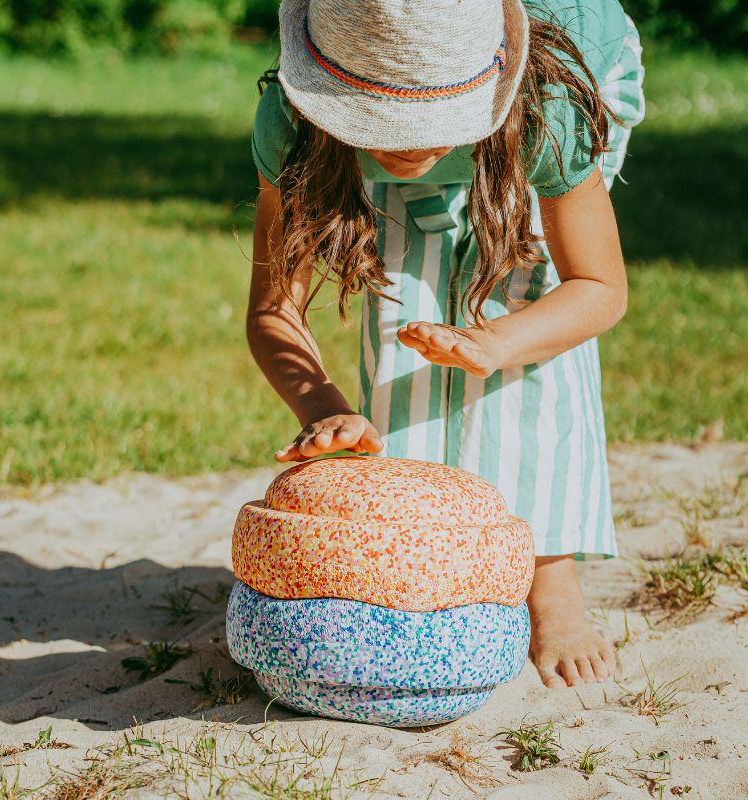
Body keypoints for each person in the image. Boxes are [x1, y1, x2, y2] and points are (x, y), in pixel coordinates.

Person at [246, 0, 645, 688]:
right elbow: (273, 306)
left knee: (523, 290)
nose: (413, 141)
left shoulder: (549, 110)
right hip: (405, 128)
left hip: (553, 90)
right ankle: (432, 550)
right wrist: (320, 406)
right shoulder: (296, 122)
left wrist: (497, 343)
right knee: (406, 300)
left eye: (431, 123)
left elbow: (598, 287)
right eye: (388, 124)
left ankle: (551, 579)